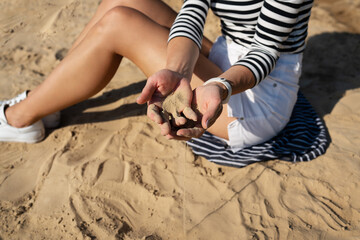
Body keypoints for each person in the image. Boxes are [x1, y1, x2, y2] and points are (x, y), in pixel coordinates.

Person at [0, 0, 314, 154]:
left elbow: (264, 52)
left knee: (119, 23)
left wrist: (221, 84)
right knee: (124, 0)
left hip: (254, 95)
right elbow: (192, 15)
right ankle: (50, 100)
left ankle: (20, 119)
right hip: (225, 52)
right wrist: (179, 71)